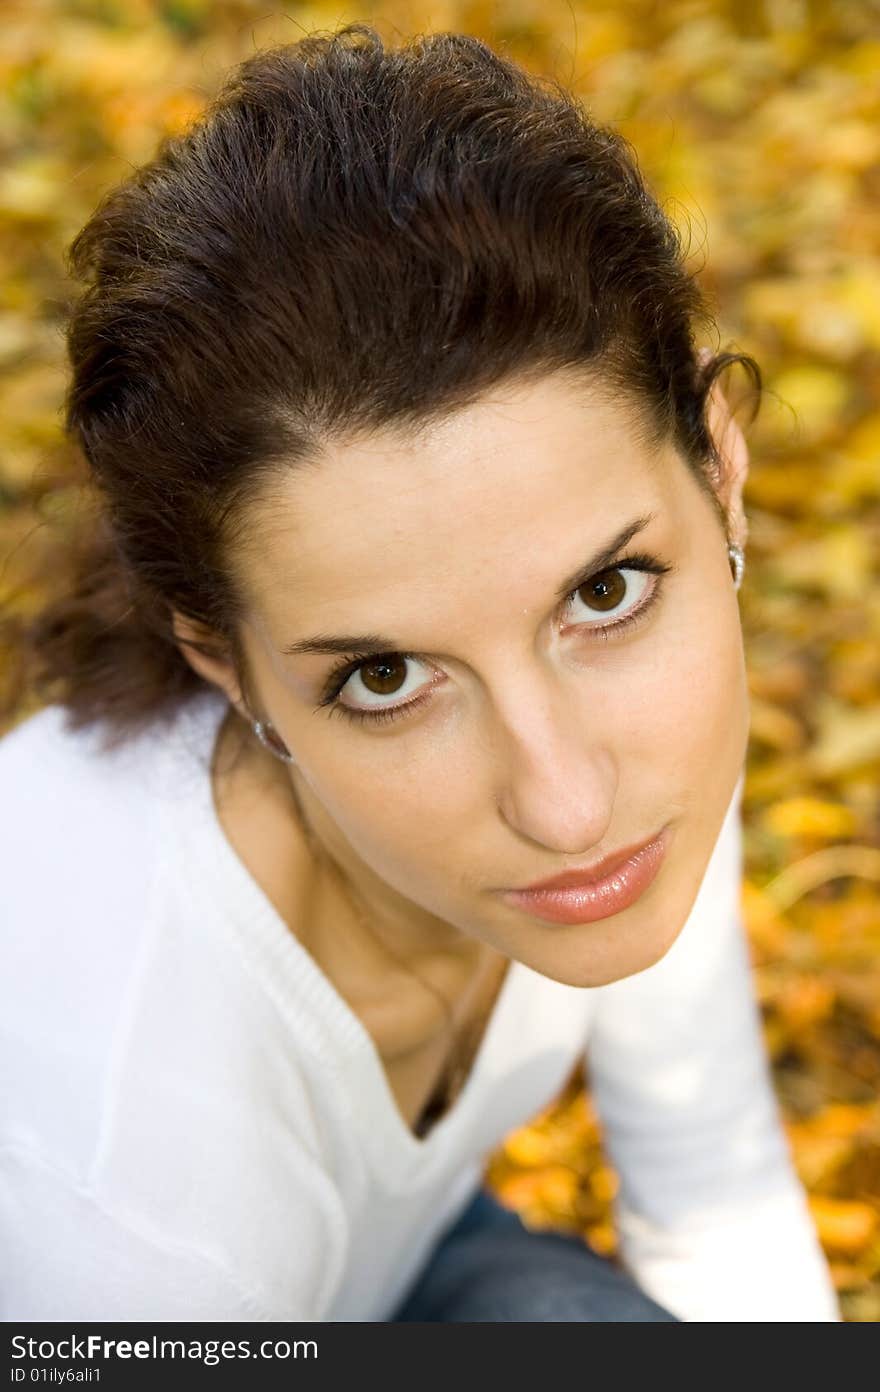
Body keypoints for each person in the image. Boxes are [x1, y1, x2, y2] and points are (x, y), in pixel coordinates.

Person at [0, 23, 839, 1322]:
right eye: (385, 677)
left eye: (603, 594)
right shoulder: (127, 1214)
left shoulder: (639, 764)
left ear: (719, 475)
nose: (564, 803)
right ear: (225, 667)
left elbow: (711, 1195)